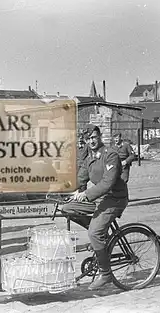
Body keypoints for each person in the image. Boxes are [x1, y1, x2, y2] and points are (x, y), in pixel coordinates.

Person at [61, 124, 128, 290]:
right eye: (88, 138)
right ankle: (99, 235)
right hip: (98, 199)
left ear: (99, 137)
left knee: (94, 233)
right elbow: (80, 179)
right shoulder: (89, 158)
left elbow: (107, 183)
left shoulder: (110, 154)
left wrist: (86, 194)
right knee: (67, 209)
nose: (91, 141)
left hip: (114, 199)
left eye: (94, 137)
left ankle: (105, 274)